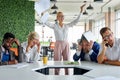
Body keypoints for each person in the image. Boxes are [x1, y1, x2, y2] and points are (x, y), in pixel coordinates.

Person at [42, 4, 86, 75]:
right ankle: (56, 75)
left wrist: (81, 11)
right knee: (57, 61)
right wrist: (43, 15)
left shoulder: (67, 26)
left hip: (66, 44)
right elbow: (46, 23)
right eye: (60, 16)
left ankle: (67, 75)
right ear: (57, 17)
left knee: (67, 61)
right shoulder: (54, 26)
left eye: (63, 16)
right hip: (58, 44)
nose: (62, 17)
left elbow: (75, 21)